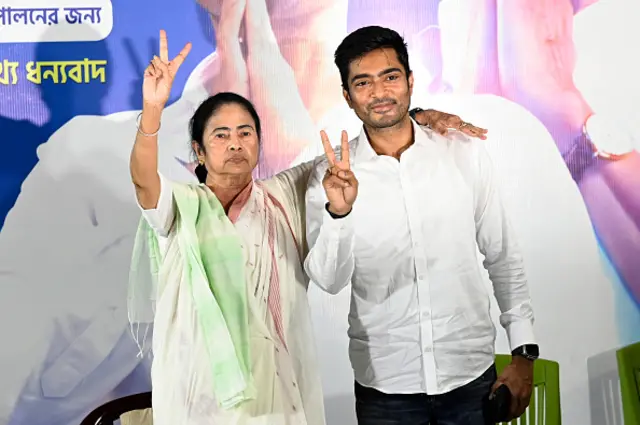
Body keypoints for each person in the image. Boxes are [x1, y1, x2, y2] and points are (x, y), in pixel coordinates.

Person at [305, 26, 537, 424]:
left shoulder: (463, 153)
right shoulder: (329, 177)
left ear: (410, 81)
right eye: (363, 82)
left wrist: (524, 352)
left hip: (470, 375)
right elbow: (328, 280)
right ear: (347, 95)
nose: (379, 93)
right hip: (386, 388)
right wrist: (339, 214)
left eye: (390, 77)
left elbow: (502, 255)